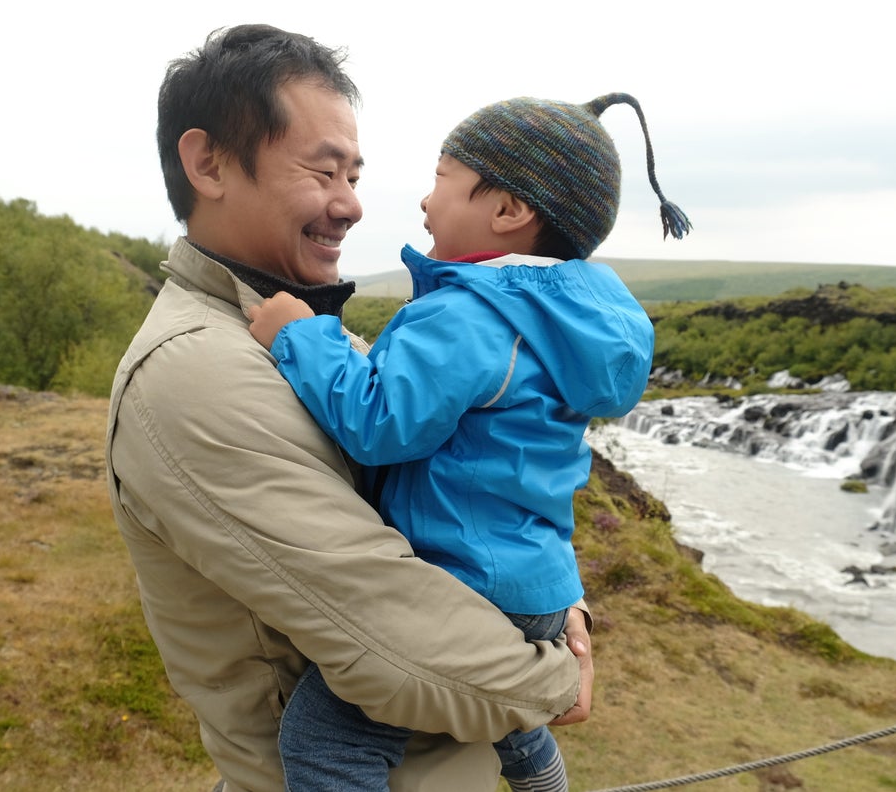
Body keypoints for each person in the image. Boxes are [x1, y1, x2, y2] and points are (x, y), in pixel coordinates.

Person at [105, 24, 594, 792]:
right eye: (324, 172)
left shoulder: (295, 336)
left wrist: (556, 602)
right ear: (208, 163)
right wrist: (555, 678)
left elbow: (480, 481)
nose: (352, 206)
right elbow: (394, 633)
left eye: (355, 176)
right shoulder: (196, 373)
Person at [248, 93, 692, 791]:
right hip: (539, 590)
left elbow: (379, 425)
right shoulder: (565, 317)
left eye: (442, 178)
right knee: (505, 705)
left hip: (463, 582)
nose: (425, 202)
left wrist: (299, 335)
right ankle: (544, 778)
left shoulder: (467, 315)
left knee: (326, 740)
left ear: (509, 210)